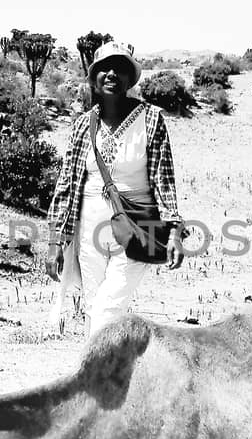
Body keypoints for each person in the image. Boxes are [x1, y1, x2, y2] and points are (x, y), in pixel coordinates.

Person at [46, 46, 183, 339]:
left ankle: (92, 373)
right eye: (104, 68)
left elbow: (164, 180)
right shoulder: (83, 125)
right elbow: (67, 183)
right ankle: (104, 377)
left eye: (119, 68)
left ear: (129, 78)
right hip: (89, 229)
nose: (111, 74)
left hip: (137, 226)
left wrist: (174, 232)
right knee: (94, 305)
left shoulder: (150, 119)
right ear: (94, 77)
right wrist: (56, 241)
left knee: (109, 307)